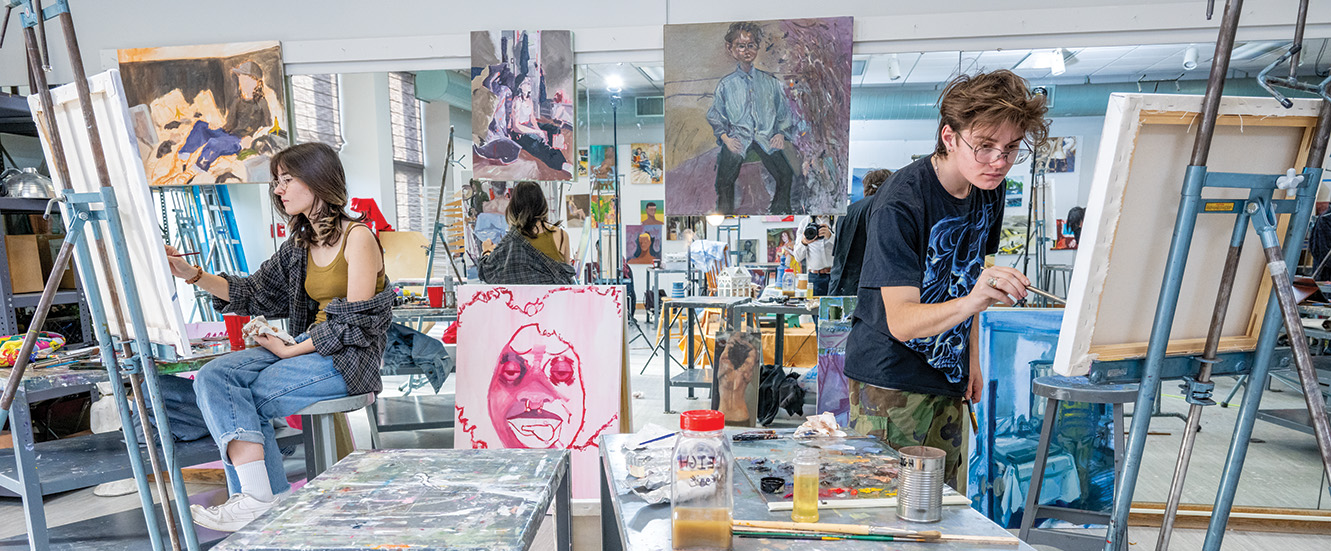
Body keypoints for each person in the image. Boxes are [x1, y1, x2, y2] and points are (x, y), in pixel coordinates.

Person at [166, 142, 392, 532]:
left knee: (240, 399)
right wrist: (191, 274)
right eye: (277, 181)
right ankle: (260, 502)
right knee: (214, 377)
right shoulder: (300, 245)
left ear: (317, 180)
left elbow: (353, 323)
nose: (278, 189)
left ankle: (260, 502)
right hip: (305, 349)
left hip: (348, 358)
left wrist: (290, 349)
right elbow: (253, 291)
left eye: (286, 179)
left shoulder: (359, 238)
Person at [843, 70, 1048, 491]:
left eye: (1010, 149)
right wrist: (974, 301)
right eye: (985, 146)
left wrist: (970, 358)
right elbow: (900, 321)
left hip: (947, 376)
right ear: (950, 136)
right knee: (886, 508)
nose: (999, 161)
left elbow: (970, 275)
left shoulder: (988, 188)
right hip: (890, 382)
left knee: (945, 506)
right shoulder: (900, 203)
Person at [706, 21, 796, 214]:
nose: (746, 50)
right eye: (741, 46)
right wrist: (726, 139)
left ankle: (779, 212)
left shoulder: (770, 83)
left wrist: (780, 133)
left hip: (765, 138)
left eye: (751, 45)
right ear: (731, 49)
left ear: (757, 47)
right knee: (723, 180)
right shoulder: (726, 85)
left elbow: (783, 112)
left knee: (785, 175)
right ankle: (725, 214)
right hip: (738, 138)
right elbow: (715, 115)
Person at [177, 60, 274, 173]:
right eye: (241, 79)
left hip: (240, 141)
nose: (242, 82)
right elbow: (229, 124)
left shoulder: (261, 103)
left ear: (256, 82)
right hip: (229, 133)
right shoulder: (237, 101)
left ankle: (199, 168)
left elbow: (267, 127)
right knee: (201, 126)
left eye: (246, 79)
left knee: (214, 143)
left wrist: (252, 139)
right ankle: (185, 153)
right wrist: (216, 126)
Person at [479, 181, 575, 284]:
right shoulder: (561, 235)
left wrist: (486, 251)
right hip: (553, 299)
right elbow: (566, 276)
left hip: (521, 299)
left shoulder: (512, 240)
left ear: (515, 206)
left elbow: (486, 272)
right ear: (542, 203)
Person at [829, 169, 892, 296]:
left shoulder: (846, 212)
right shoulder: (886, 208)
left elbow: (838, 253)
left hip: (842, 287)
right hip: (873, 289)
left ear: (865, 189)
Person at [792, 215, 836, 296]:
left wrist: (831, 237)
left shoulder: (837, 220)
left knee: (836, 306)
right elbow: (798, 257)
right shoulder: (805, 222)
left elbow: (845, 248)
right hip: (814, 277)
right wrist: (804, 242)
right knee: (814, 307)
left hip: (835, 275)